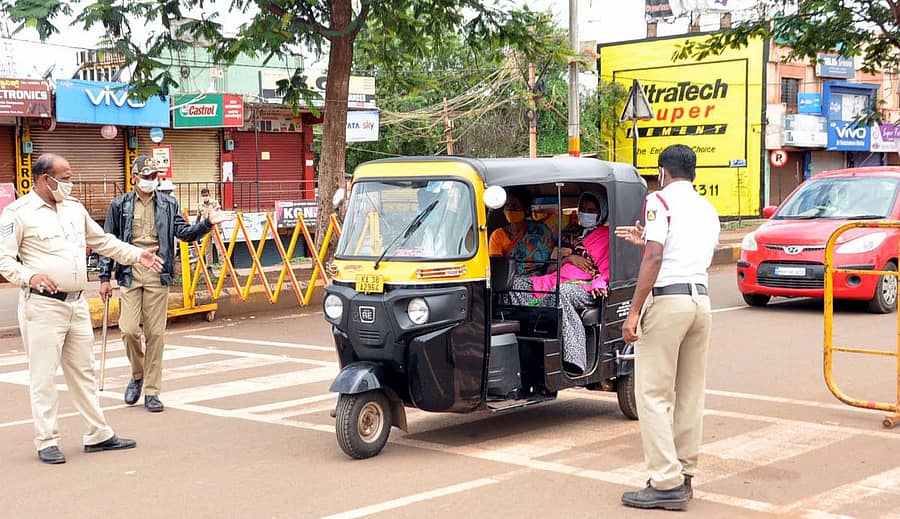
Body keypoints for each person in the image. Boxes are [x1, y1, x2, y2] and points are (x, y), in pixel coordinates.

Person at [0, 154, 165, 464]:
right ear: (44, 179)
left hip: (76, 304)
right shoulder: (18, 213)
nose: (69, 183)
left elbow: (102, 241)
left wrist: (135, 255)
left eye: (70, 176)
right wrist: (30, 276)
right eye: (64, 177)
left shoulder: (75, 209)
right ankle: (46, 439)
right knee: (44, 376)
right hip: (43, 306)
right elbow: (4, 259)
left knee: (84, 372)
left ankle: (98, 434)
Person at [615, 144, 720, 511]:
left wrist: (633, 313)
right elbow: (683, 251)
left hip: (668, 302)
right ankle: (684, 472)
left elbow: (657, 257)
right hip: (699, 302)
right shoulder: (707, 209)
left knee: (653, 395)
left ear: (663, 172)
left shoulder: (658, 200)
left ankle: (665, 481)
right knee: (690, 391)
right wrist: (647, 239)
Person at [99, 156, 234, 413]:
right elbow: (108, 243)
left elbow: (183, 234)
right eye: (146, 177)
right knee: (128, 329)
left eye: (154, 177)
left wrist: (207, 224)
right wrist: (105, 277)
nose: (150, 181)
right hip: (129, 272)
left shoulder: (169, 204)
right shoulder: (119, 205)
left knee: (155, 334)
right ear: (134, 178)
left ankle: (152, 390)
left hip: (158, 274)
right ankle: (137, 374)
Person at [506, 191, 610, 373]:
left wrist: (599, 284)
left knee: (561, 293)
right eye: (583, 209)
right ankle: (520, 338)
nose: (586, 213)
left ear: (601, 213)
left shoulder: (607, 237)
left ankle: (574, 359)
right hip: (554, 279)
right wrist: (569, 260)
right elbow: (549, 269)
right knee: (514, 285)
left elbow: (606, 271)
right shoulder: (568, 233)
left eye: (591, 210)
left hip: (585, 287)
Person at [488, 190, 554, 275]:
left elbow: (547, 261)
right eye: (507, 206)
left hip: (537, 278)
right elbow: (496, 265)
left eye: (515, 206)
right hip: (508, 279)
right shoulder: (497, 235)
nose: (509, 209)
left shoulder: (540, 231)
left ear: (526, 209)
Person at [196, 187, 221, 267]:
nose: (205, 197)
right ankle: (209, 265)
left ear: (209, 195)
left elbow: (219, 215)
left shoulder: (215, 203)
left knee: (219, 247)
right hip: (206, 228)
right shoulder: (200, 205)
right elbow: (198, 217)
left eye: (206, 195)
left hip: (215, 227)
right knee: (207, 248)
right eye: (203, 195)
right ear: (201, 196)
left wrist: (220, 227)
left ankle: (223, 265)